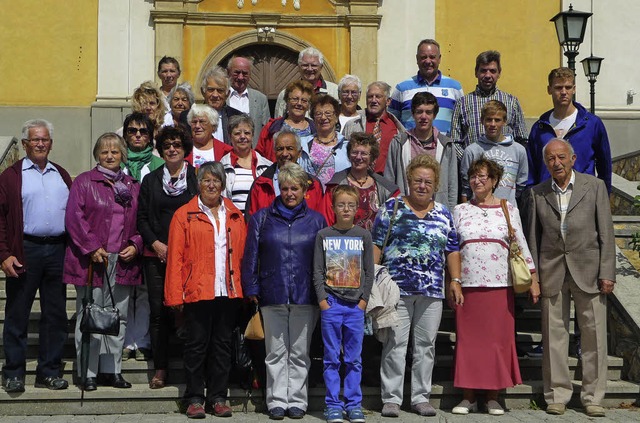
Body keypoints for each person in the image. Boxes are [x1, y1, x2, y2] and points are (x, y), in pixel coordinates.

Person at [524, 139, 615, 418]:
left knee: (594, 336)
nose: (557, 163)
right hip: (552, 269)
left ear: (573, 158)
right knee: (554, 336)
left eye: (561, 157)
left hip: (589, 269)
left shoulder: (595, 186)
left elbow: (606, 234)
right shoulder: (536, 194)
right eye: (551, 159)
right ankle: (557, 395)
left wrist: (607, 272)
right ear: (546, 163)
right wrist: (534, 278)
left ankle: (593, 397)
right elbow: (532, 239)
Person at [372, 154, 461, 417]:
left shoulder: (443, 213)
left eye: (428, 182)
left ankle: (421, 397)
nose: (422, 186)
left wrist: (455, 280)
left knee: (426, 346)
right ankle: (391, 399)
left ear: (435, 185)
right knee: (395, 345)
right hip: (397, 291)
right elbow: (377, 244)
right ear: (409, 181)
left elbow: (452, 249)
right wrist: (373, 282)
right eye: (417, 180)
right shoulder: (392, 208)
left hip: (432, 292)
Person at [451, 158, 539, 416]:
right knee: (469, 343)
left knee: (497, 343)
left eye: (482, 177)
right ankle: (467, 396)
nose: (477, 181)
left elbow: (520, 243)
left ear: (494, 181)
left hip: (500, 284)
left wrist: (533, 278)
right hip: (468, 285)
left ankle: (492, 397)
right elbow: (451, 249)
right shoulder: (460, 210)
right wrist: (452, 281)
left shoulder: (507, 208)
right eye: (473, 177)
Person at [242, 163, 326, 420]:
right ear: (279, 188)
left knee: (300, 352)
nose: (290, 193)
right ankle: (277, 400)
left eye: (295, 188)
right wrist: (252, 286)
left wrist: (321, 291)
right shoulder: (262, 218)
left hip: (305, 294)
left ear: (305, 190)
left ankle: (298, 401)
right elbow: (251, 255)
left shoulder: (316, 220)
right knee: (276, 352)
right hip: (272, 291)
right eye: (285, 188)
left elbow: (323, 259)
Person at [165, 161, 246, 419]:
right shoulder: (184, 214)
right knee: (196, 346)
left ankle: (219, 397)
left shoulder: (234, 213)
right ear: (198, 183)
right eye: (206, 180)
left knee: (222, 346)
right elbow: (175, 257)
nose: (211, 185)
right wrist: (175, 294)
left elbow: (242, 254)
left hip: (227, 290)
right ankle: (195, 398)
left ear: (223, 185)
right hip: (197, 289)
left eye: (216, 180)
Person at [64, 132, 142, 391]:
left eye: (115, 152)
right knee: (90, 316)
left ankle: (113, 370)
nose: (109, 156)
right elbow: (75, 219)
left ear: (123, 155)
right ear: (97, 154)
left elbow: (141, 222)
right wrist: (92, 247)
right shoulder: (85, 182)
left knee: (117, 317)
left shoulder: (132, 186)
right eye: (104, 151)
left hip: (122, 260)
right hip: (92, 261)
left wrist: (136, 244)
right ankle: (88, 371)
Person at [0, 119, 71, 392]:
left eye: (45, 140)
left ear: (51, 144)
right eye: (35, 140)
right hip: (24, 250)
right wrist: (4, 254)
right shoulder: (11, 177)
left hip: (57, 250)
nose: (40, 144)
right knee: (18, 314)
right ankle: (14, 372)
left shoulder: (61, 174)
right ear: (25, 144)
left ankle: (49, 371)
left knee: (55, 315)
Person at [137, 125, 198, 389]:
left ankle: (192, 367)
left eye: (176, 144)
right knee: (159, 312)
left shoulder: (196, 178)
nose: (172, 149)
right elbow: (141, 218)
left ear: (185, 149)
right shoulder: (151, 180)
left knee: (192, 311)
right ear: (160, 150)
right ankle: (160, 367)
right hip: (157, 256)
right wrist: (156, 244)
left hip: (191, 257)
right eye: (167, 146)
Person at [314, 185, 374, 423]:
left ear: (357, 207)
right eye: (341, 205)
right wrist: (322, 301)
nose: (346, 209)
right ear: (333, 208)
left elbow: (369, 272)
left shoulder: (363, 236)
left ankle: (353, 403)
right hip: (331, 305)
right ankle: (332, 404)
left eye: (350, 205)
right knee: (331, 358)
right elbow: (317, 271)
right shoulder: (324, 235)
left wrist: (363, 301)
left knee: (353, 359)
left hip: (355, 308)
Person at [121, 112, 165, 362]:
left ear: (151, 137)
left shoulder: (158, 166)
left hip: (149, 237)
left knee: (147, 292)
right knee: (127, 293)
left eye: (143, 131)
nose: (138, 135)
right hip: (122, 239)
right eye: (132, 131)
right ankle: (127, 342)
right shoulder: (118, 162)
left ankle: (143, 340)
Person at [527, 67, 612, 193]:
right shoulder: (540, 128)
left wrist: (602, 198)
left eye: (568, 87)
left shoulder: (591, 124)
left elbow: (605, 167)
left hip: (583, 196)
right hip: (547, 197)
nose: (563, 92)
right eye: (558, 87)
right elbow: (531, 169)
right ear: (549, 89)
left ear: (574, 89)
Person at [385, 92, 458, 211]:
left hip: (437, 212)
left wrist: (449, 213)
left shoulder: (446, 145)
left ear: (434, 115)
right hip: (404, 211)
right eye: (419, 112)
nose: (423, 117)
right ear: (413, 114)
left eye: (428, 112)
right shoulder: (399, 143)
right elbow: (389, 181)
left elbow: (452, 186)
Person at [323, 133, 399, 230]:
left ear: (372, 157)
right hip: (344, 241)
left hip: (375, 243)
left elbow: (392, 221)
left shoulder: (385, 188)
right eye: (354, 152)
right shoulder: (335, 185)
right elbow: (327, 219)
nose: (358, 157)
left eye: (364, 153)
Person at [451, 50, 527, 147]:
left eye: (492, 71)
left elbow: (522, 139)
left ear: (499, 73)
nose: (487, 75)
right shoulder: (462, 104)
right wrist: (468, 159)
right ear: (476, 72)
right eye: (483, 70)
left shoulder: (512, 102)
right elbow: (455, 142)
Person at [389, 39, 464, 135]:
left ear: (439, 58)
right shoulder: (402, 89)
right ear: (417, 59)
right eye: (424, 57)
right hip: (411, 147)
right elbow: (392, 122)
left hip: (444, 147)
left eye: (432, 57)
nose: (428, 61)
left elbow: (461, 122)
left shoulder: (454, 88)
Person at [460, 100, 528, 205]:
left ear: (505, 121)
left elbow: (521, 183)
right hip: (478, 209)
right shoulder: (472, 151)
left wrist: (509, 200)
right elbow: (466, 188)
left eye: (497, 120)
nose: (493, 124)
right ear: (482, 121)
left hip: (507, 210)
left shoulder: (518, 150)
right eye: (489, 120)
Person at [247, 128, 324, 216]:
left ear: (299, 152)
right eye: (280, 149)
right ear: (274, 152)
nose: (284, 153)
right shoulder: (260, 185)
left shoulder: (314, 185)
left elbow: (320, 221)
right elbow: (251, 221)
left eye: (289, 148)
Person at [343, 81, 406, 174]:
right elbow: (344, 155)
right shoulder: (352, 125)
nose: (373, 100)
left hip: (387, 182)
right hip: (356, 179)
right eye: (370, 96)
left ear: (388, 101)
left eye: (378, 96)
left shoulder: (397, 128)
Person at [219, 114, 272, 213]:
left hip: (260, 224)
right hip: (233, 223)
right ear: (230, 136)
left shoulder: (267, 166)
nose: (242, 137)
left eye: (247, 133)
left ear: (252, 135)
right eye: (237, 133)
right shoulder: (221, 167)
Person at [255, 80, 316, 162]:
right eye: (295, 99)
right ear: (287, 101)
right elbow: (259, 156)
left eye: (304, 101)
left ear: (309, 105)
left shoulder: (316, 130)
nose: (299, 103)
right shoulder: (272, 128)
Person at [300, 94, 350, 188]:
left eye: (328, 113)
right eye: (318, 114)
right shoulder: (303, 144)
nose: (323, 118)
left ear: (336, 118)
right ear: (314, 119)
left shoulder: (346, 146)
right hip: (311, 195)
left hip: (339, 196)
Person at [274, 47, 339, 118]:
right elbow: (278, 122)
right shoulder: (286, 93)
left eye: (314, 65)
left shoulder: (335, 91)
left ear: (321, 67)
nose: (309, 69)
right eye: (305, 65)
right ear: (299, 67)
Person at [226, 56, 271, 147]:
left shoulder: (260, 99)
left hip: (252, 152)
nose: (240, 77)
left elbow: (266, 130)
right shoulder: (222, 97)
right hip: (227, 150)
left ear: (250, 74)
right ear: (228, 72)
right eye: (237, 72)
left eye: (245, 73)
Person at [196, 66, 243, 144]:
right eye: (211, 90)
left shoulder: (238, 117)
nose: (215, 95)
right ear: (203, 92)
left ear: (227, 94)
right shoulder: (189, 117)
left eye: (220, 91)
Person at [186, 104, 233, 168]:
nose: (197, 126)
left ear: (213, 126)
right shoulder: (183, 148)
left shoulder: (226, 151)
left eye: (202, 122)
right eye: (194, 122)